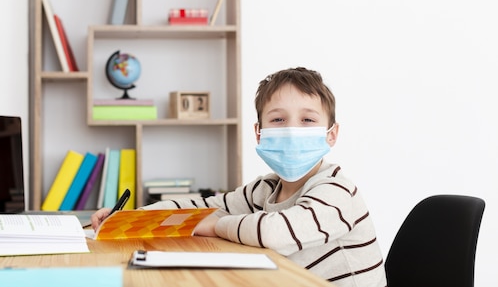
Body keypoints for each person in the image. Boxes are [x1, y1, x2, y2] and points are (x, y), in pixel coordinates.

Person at [91, 67, 387, 286]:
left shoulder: (336, 190)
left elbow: (276, 233)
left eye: (307, 120)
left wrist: (216, 225)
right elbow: (201, 207)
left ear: (331, 134)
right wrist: (130, 218)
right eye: (278, 120)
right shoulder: (265, 188)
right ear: (259, 133)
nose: (291, 129)